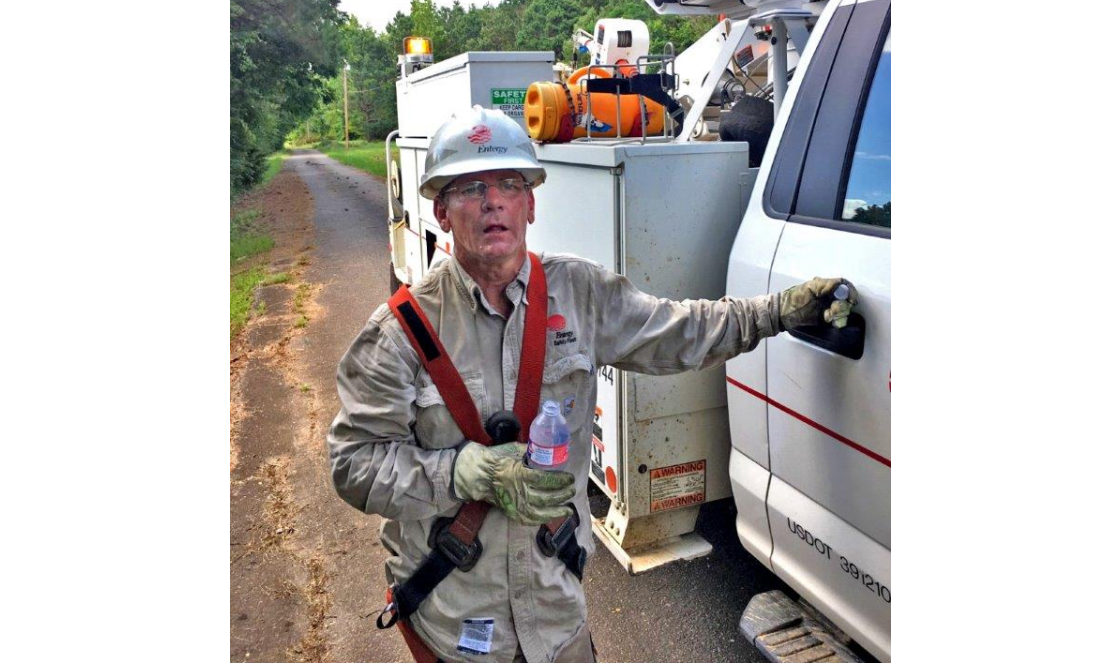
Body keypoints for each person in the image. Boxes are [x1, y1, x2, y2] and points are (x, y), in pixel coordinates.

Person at [328, 106, 856, 663]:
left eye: (510, 183)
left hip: (558, 620)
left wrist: (778, 312)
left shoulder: (580, 293)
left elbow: (682, 330)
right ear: (441, 209)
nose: (492, 201)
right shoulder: (400, 333)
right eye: (470, 188)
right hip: (458, 627)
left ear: (530, 203)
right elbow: (352, 463)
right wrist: (457, 472)